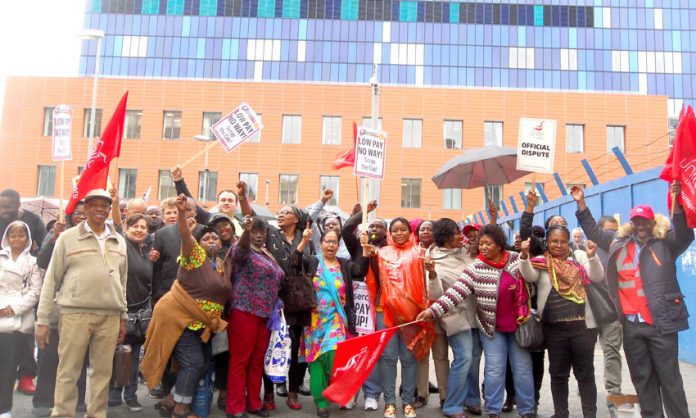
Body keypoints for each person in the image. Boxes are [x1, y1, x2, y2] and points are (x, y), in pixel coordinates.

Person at [571, 184, 693, 418]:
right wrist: (581, 203)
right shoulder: (619, 242)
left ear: (653, 223)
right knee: (642, 379)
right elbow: (594, 232)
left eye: (645, 222)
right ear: (631, 224)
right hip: (631, 326)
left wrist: (677, 203)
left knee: (670, 380)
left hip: (661, 325)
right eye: (636, 222)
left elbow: (685, 234)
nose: (641, 227)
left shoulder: (666, 243)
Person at [416, 224, 536, 418]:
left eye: (488, 243)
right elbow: (454, 294)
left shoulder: (515, 260)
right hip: (491, 328)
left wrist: (523, 264)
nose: (483, 247)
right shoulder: (475, 268)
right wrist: (432, 311)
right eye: (481, 244)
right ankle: (493, 409)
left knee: (522, 369)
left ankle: (527, 409)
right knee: (494, 370)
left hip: (519, 326)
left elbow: (532, 279)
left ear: (499, 244)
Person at [35, 189, 128, 418]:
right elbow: (51, 280)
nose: (100, 209)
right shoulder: (67, 238)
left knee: (102, 373)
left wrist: (123, 316)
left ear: (109, 210)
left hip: (109, 316)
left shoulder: (118, 240)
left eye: (104, 205)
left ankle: (96, 414)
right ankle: (62, 414)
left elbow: (122, 281)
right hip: (75, 313)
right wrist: (42, 319)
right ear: (84, 209)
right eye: (94, 204)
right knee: (68, 371)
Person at [142, 194, 232, 418]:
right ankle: (180, 410)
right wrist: (182, 213)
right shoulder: (194, 256)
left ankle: (170, 401)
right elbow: (185, 236)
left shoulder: (220, 264)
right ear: (198, 243)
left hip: (202, 327)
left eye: (215, 238)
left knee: (200, 366)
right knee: (193, 363)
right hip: (179, 320)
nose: (211, 240)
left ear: (221, 244)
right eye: (206, 238)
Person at [240, 183, 312, 410]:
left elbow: (302, 264)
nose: (280, 214)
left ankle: (292, 392)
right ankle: (269, 393)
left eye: (286, 212)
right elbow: (250, 217)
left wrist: (304, 242)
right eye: (279, 213)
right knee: (271, 348)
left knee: (294, 348)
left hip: (299, 302)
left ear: (296, 218)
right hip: (275, 301)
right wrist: (243, 198)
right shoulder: (271, 235)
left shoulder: (307, 237)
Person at [519, 226, 604, 418]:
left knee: (585, 374)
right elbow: (528, 275)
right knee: (558, 375)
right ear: (547, 243)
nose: (558, 245)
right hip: (554, 330)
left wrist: (592, 257)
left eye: (563, 241)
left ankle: (590, 414)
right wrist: (524, 257)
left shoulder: (580, 257)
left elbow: (597, 276)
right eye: (554, 241)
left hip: (583, 328)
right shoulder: (541, 262)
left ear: (569, 242)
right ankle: (560, 414)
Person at [295, 227, 369, 417]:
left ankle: (331, 389)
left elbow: (360, 269)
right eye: (327, 241)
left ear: (338, 245)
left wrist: (365, 248)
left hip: (336, 319)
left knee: (333, 355)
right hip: (313, 320)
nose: (330, 245)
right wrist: (303, 241)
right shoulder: (312, 261)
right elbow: (295, 261)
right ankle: (321, 401)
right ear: (321, 244)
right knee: (316, 359)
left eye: (334, 242)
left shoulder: (343, 264)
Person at [371, 218, 435, 418]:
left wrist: (431, 270)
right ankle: (389, 402)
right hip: (387, 313)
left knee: (409, 359)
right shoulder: (381, 253)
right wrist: (367, 253)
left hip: (411, 315)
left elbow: (427, 285)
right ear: (390, 233)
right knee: (388, 358)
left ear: (410, 232)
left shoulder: (419, 253)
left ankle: (408, 401)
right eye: (395, 230)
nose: (399, 233)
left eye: (403, 230)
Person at [226, 215, 285, 418]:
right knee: (240, 360)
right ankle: (235, 407)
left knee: (257, 360)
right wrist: (245, 232)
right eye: (255, 231)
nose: (259, 235)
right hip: (244, 311)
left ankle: (254, 403)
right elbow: (240, 251)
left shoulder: (267, 253)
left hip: (266, 314)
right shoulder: (241, 249)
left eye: (262, 231)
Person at [32, 204, 89, 417]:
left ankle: (79, 398)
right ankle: (44, 399)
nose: (81, 217)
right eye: (77, 213)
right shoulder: (58, 232)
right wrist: (55, 237)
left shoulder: (96, 236)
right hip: (57, 305)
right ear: (70, 215)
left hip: (82, 305)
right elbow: (41, 260)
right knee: (51, 354)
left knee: (79, 355)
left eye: (85, 213)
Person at [423, 218, 477, 418]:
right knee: (464, 358)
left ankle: (473, 401)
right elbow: (435, 296)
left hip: (476, 315)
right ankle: (452, 405)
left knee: (474, 361)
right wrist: (432, 274)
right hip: (455, 316)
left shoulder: (465, 252)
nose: (460, 236)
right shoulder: (432, 259)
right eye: (456, 233)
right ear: (445, 237)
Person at [0, 189, 46, 396]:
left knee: (25, 337)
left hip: (26, 281)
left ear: (18, 205)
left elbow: (42, 247)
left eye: (6, 207)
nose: (2, 211)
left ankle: (26, 375)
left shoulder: (34, 220)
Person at [108, 213, 155, 412]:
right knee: (120, 353)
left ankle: (131, 394)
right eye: (135, 226)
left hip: (141, 311)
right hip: (122, 308)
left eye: (143, 227)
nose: (139, 230)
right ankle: (115, 393)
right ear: (127, 228)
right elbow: (117, 224)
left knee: (133, 355)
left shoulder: (146, 251)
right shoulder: (122, 245)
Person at [341, 207, 383, 412]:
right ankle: (350, 393)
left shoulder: (387, 250)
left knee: (372, 350)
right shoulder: (358, 245)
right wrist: (363, 213)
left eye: (379, 227)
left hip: (378, 307)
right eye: (371, 225)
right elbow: (346, 229)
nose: (374, 229)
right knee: (354, 349)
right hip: (356, 304)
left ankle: (372, 394)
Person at [0, 221, 42, 418]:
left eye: (21, 235)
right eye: (13, 235)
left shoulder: (33, 263)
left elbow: (35, 292)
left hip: (17, 320)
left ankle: (4, 408)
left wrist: (12, 309)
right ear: (7, 238)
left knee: (8, 368)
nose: (17, 239)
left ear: (28, 238)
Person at [592, 215, 624, 403]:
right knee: (585, 354)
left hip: (612, 312)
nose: (613, 234)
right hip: (590, 312)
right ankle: (586, 385)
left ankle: (614, 391)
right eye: (608, 230)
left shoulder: (621, 250)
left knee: (612, 351)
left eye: (615, 230)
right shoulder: (588, 250)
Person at [413, 220, 443, 409]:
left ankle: (445, 395)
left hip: (438, 310)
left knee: (440, 355)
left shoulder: (441, 252)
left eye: (429, 229)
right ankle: (422, 394)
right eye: (422, 229)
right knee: (421, 356)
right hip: (417, 311)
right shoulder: (412, 252)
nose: (425, 231)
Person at [171, 166, 243, 233]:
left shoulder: (242, 223)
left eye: (230, 200)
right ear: (217, 203)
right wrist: (179, 181)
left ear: (236, 204)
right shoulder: (209, 218)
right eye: (223, 200)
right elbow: (188, 201)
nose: (226, 203)